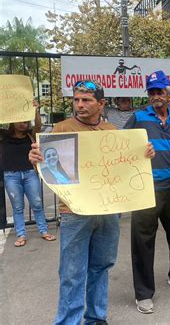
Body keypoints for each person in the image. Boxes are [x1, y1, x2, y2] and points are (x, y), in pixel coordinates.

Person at [28, 80, 155, 324]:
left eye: (86, 100)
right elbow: (46, 171)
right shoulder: (61, 129)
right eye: (76, 99)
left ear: (101, 104)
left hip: (108, 211)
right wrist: (35, 159)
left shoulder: (113, 132)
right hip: (74, 212)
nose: (79, 104)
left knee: (102, 266)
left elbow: (129, 166)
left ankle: (96, 318)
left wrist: (145, 153)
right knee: (72, 272)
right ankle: (68, 321)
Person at [124, 70, 170, 314]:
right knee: (142, 242)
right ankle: (143, 294)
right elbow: (123, 146)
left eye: (159, 91)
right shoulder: (138, 117)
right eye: (151, 92)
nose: (155, 96)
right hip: (146, 190)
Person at [0, 101, 56, 247]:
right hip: (11, 176)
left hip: (30, 174)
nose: (23, 124)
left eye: (26, 121)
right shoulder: (3, 135)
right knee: (18, 207)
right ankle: (21, 235)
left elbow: (38, 125)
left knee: (37, 204)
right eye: (20, 120)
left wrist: (36, 111)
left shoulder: (30, 135)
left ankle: (44, 231)